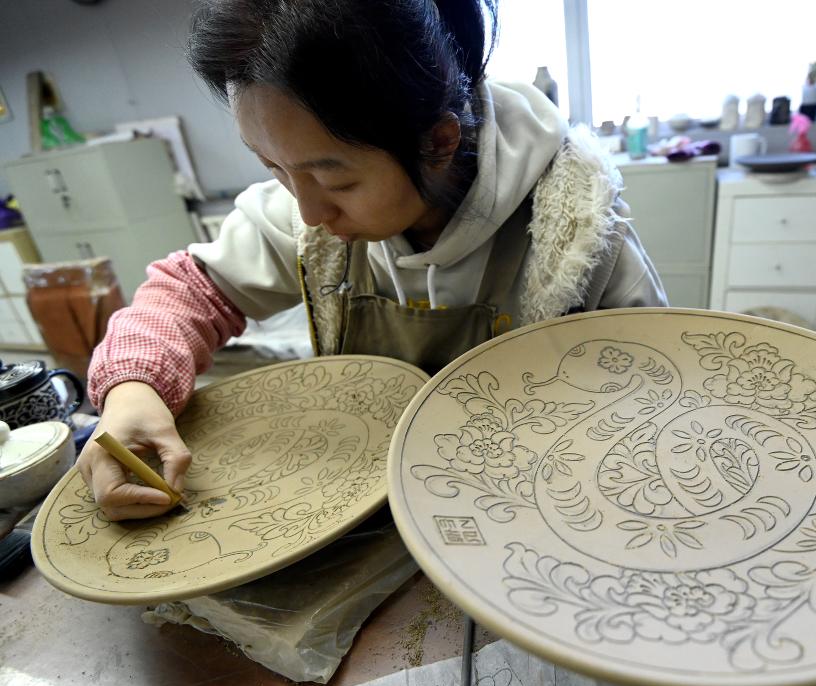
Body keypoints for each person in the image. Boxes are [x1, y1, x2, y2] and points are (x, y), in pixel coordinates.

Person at [77, 0, 667, 521]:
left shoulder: (579, 230)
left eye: (335, 180)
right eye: (273, 167)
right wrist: (132, 390)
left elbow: (652, 411)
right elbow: (186, 292)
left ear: (437, 143)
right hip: (364, 498)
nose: (309, 212)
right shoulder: (301, 214)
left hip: (527, 507)